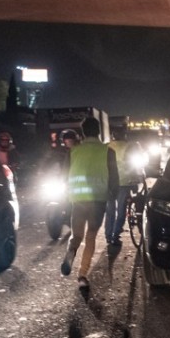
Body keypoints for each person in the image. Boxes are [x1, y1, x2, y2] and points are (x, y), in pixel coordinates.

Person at [61, 116, 119, 290]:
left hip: (78, 200)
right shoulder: (108, 152)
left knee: (77, 235)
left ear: (83, 133)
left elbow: (64, 176)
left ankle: (71, 250)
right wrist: (112, 196)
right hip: (98, 200)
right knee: (91, 235)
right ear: (99, 131)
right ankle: (82, 275)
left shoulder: (73, 152)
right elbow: (114, 179)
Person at [104, 133, 145, 245]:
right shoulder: (130, 146)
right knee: (121, 211)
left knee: (110, 211)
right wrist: (137, 179)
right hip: (124, 182)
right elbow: (136, 165)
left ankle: (108, 235)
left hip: (109, 182)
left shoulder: (107, 146)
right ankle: (115, 234)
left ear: (112, 136)